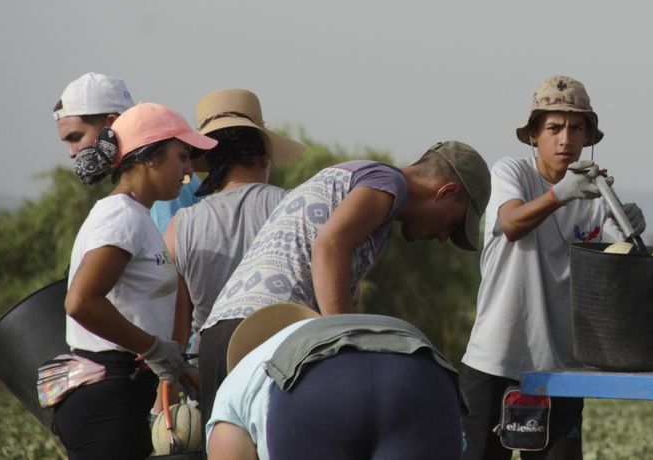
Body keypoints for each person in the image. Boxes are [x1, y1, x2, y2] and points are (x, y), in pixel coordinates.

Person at [198, 139, 489, 408]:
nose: (442, 237)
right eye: (453, 224)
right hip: (267, 335)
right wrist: (345, 349)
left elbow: (323, 254)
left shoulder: (355, 177)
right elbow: (330, 245)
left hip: (222, 332)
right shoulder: (388, 182)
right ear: (446, 191)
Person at [459, 75, 644, 459]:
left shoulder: (594, 191)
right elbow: (511, 224)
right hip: (495, 361)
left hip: (560, 370)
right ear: (534, 136)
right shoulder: (512, 173)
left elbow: (618, 265)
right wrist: (560, 194)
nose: (566, 139)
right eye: (554, 127)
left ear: (587, 137)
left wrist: (629, 228)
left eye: (576, 128)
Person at [53, 102, 217, 460]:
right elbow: (81, 302)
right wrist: (155, 348)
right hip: (108, 395)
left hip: (125, 389)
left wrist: (174, 364)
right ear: (148, 158)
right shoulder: (121, 217)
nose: (188, 170)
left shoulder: (138, 215)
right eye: (182, 156)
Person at [165, 88, 307, 422]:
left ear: (210, 162)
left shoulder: (180, 226)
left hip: (215, 369)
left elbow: (177, 330)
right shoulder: (295, 207)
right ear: (263, 156)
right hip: (288, 362)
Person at [207, 302, 466, 460]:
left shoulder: (237, 385)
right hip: (423, 373)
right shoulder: (316, 332)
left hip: (315, 390)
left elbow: (229, 452)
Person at [52, 71, 202, 229]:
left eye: (76, 137)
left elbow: (168, 253)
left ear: (112, 123)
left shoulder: (161, 179)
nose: (72, 153)